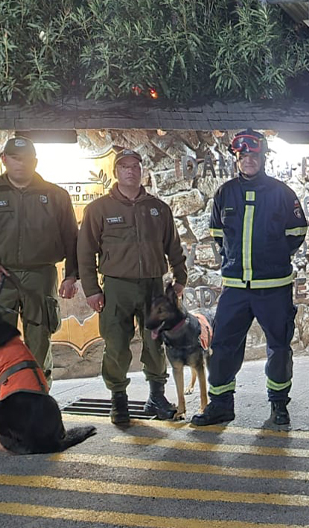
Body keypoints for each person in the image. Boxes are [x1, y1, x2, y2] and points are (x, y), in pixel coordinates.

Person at [0, 136, 78, 430]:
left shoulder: (56, 195)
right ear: (5, 160)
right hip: (0, 279)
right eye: (13, 158)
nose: (19, 163)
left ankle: (35, 407)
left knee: (38, 342)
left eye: (26, 159)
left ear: (35, 161)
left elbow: (72, 240)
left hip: (41, 275)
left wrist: (72, 274)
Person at [191, 129, 308, 427]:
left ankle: (279, 404)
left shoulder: (283, 194)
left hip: (273, 288)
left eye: (253, 156)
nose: (248, 161)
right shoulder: (225, 193)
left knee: (279, 348)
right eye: (243, 157)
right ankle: (220, 405)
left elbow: (296, 232)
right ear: (237, 159)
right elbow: (219, 234)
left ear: (263, 157)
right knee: (223, 347)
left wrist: (274, 257)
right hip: (235, 289)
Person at [78, 148, 187, 425]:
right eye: (125, 166)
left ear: (142, 171)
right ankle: (118, 400)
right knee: (116, 343)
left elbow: (173, 246)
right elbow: (85, 251)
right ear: (116, 172)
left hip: (153, 285)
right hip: (117, 287)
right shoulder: (99, 209)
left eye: (135, 166)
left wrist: (180, 278)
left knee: (156, 343)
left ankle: (157, 396)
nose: (130, 171)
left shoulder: (158, 208)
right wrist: (91, 289)